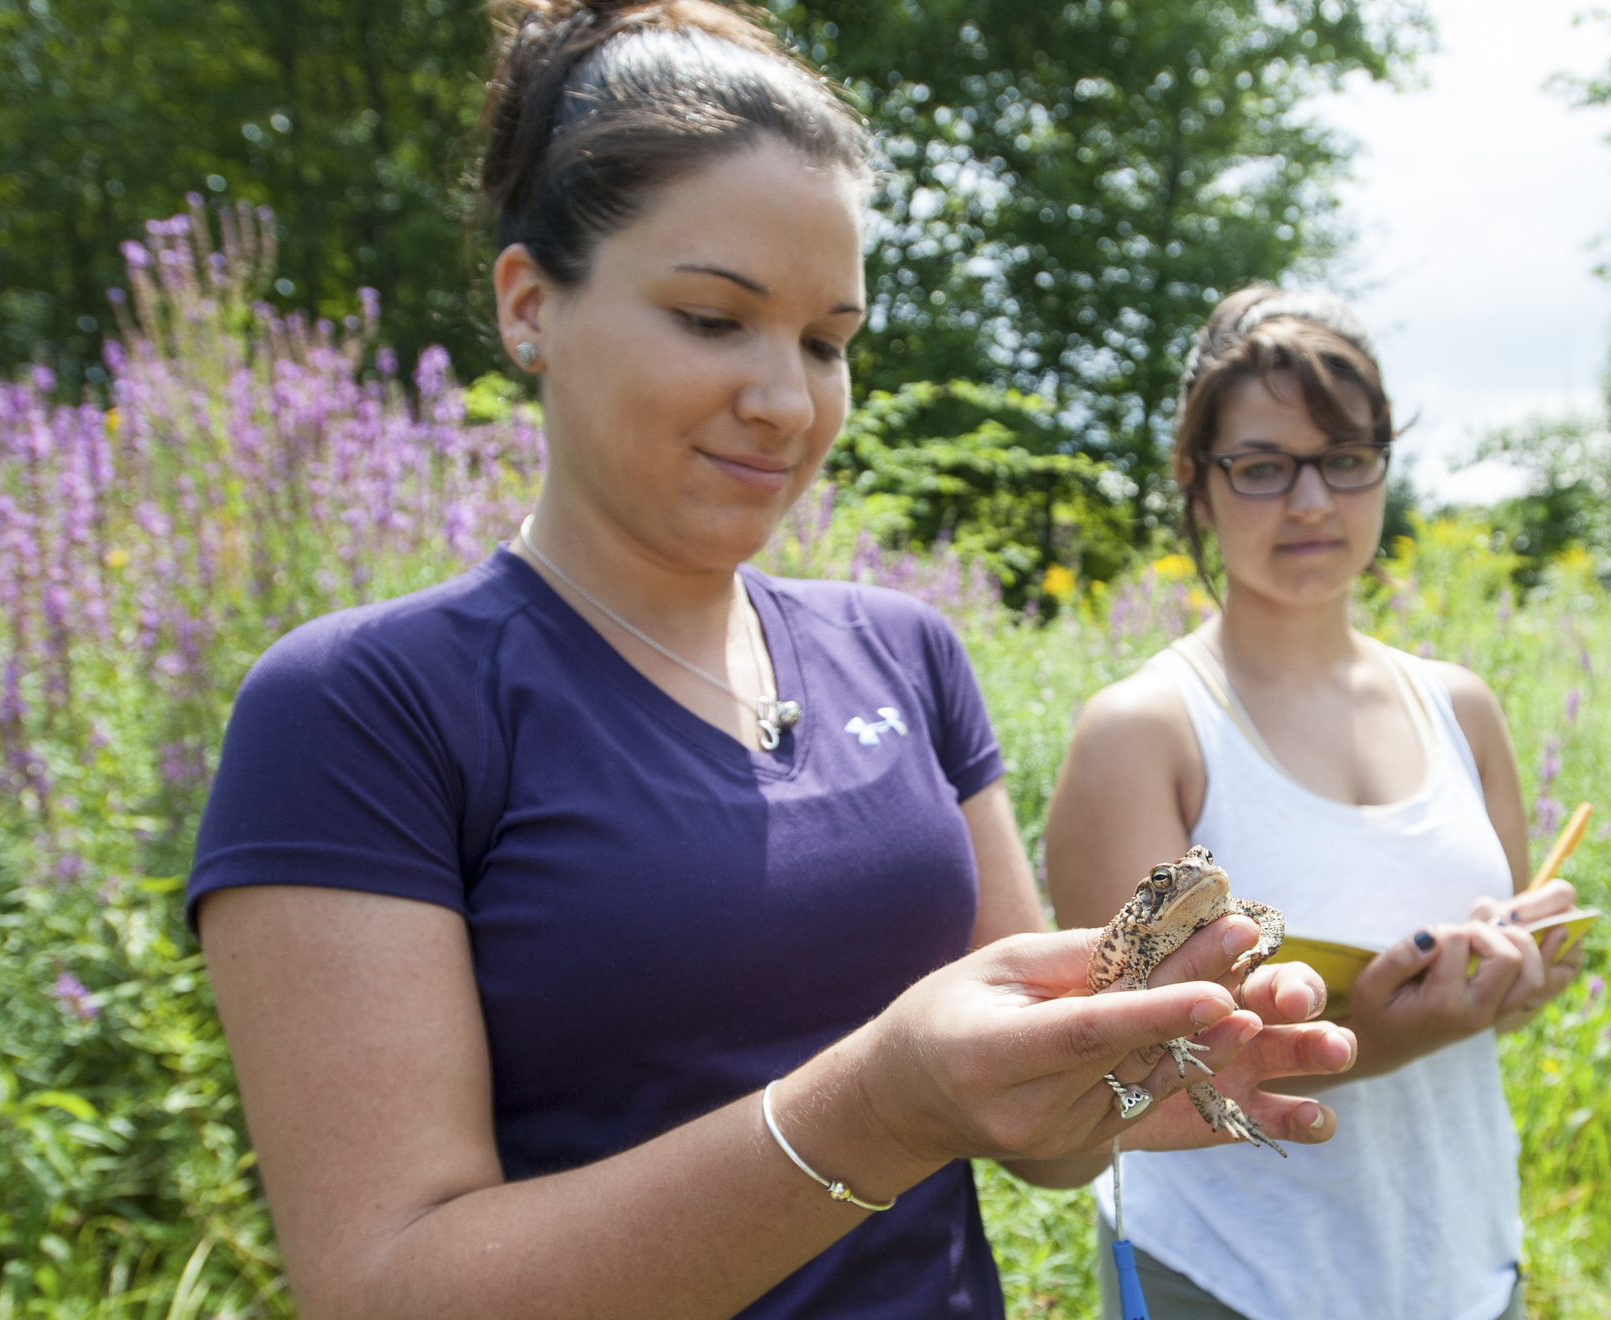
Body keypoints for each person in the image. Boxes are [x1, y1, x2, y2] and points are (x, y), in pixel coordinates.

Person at [189, 7, 1353, 1317]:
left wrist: (1130, 1064)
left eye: (825, 341)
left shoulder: (906, 653)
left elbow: (1039, 1140)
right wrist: (880, 1109)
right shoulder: (363, 709)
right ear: (531, 306)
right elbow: (385, 1289)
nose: (788, 402)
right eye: (710, 318)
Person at [1043, 285, 1586, 1320]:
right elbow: (1128, 1069)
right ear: (1195, 487)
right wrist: (1388, 1033)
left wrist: (1516, 973)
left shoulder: (1458, 708)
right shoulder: (1143, 733)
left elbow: (1495, 989)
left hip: (1461, 1266)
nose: (1308, 502)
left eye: (1343, 459)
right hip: (1225, 1277)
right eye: (1260, 467)